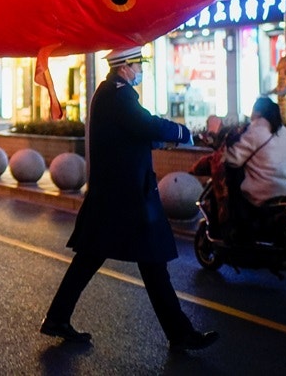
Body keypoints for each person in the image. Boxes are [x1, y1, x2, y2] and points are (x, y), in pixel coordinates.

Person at [42, 46, 219, 353]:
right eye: (137, 65)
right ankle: (180, 334)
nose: (140, 70)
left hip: (115, 197)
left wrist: (157, 140)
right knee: (150, 263)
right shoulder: (118, 95)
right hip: (127, 199)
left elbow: (131, 133)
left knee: (101, 261)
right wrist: (182, 132)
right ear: (124, 67)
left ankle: (58, 317)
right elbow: (145, 124)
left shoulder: (110, 93)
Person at [223, 96, 286, 211]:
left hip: (261, 194)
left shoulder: (256, 129)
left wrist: (223, 154)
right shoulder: (285, 132)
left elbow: (234, 159)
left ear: (257, 112)